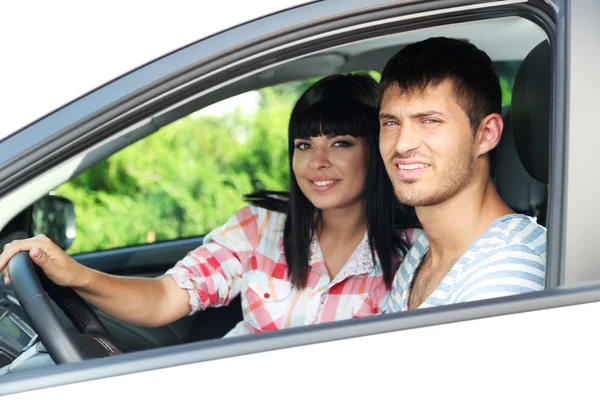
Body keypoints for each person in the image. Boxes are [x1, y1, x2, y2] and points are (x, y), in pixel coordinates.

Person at [0, 73, 419, 336]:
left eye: (341, 143)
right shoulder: (263, 227)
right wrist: (77, 276)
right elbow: (165, 298)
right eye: (304, 144)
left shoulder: (416, 251)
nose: (317, 161)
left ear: (379, 149)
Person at [377, 37, 546, 312]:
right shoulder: (424, 252)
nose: (402, 144)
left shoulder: (508, 268)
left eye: (429, 121)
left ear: (486, 134)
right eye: (391, 123)